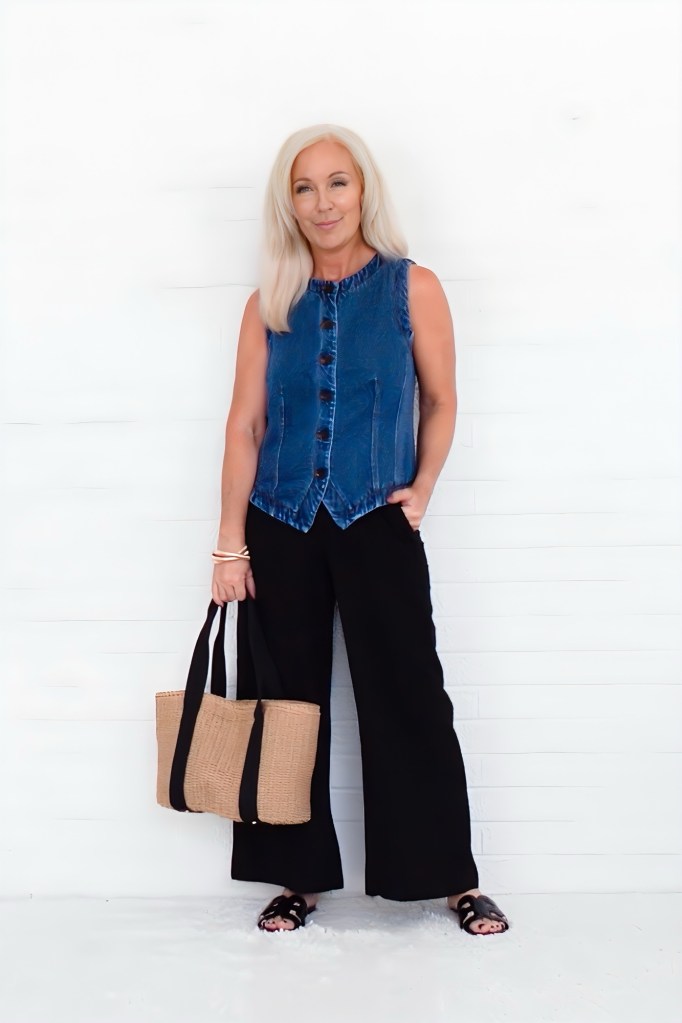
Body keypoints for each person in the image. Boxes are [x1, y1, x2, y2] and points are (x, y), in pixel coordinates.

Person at [210, 124, 509, 937]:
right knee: (286, 703)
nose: (322, 202)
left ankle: (450, 877)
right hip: (280, 522)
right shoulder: (269, 303)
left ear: (364, 189)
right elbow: (245, 425)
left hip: (376, 517)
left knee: (409, 692)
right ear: (290, 203)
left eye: (336, 183)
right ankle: (297, 879)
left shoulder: (414, 287)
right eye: (305, 188)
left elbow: (442, 400)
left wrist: (423, 489)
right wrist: (230, 543)